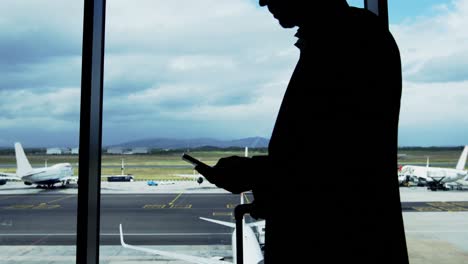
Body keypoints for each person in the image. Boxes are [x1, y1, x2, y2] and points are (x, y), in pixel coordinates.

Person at [196, 1, 409, 263]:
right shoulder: (348, 35)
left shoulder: (345, 41)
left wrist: (254, 173)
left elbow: (338, 164)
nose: (263, 1)